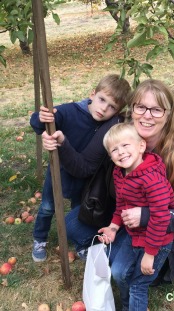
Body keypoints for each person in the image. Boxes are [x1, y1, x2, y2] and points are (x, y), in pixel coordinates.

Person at [48, 79, 174, 285]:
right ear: (132, 109)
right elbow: (85, 166)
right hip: (121, 216)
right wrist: (61, 143)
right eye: (141, 107)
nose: (147, 115)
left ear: (168, 115)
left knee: (120, 271)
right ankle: (114, 249)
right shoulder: (119, 132)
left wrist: (146, 215)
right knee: (71, 225)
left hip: (156, 229)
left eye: (157, 110)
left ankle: (140, 261)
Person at [29, 74, 131, 262]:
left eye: (112, 107)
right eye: (102, 100)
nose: (103, 109)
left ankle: (81, 244)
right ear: (92, 94)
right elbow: (40, 123)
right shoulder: (70, 111)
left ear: (117, 112)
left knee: (80, 210)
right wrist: (39, 118)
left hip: (84, 180)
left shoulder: (108, 126)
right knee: (47, 207)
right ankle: (40, 239)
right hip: (58, 173)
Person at [98, 123, 174, 310]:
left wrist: (150, 255)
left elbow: (161, 217)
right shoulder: (120, 173)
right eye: (114, 150)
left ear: (141, 146)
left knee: (138, 285)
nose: (121, 152)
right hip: (135, 235)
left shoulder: (151, 179)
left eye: (126, 145)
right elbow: (122, 205)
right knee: (117, 272)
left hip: (158, 240)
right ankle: (127, 306)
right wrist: (113, 227)